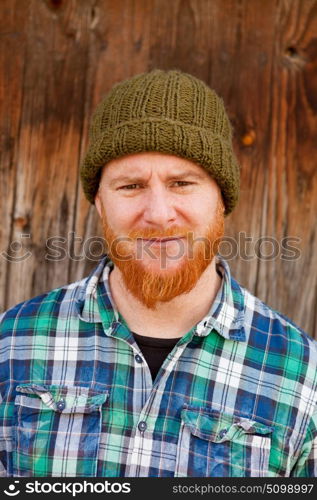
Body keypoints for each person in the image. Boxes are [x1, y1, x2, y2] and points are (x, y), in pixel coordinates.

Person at [0, 69, 316, 478]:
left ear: (222, 199)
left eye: (182, 183)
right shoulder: (13, 342)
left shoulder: (302, 375)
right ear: (99, 203)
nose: (158, 214)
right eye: (130, 186)